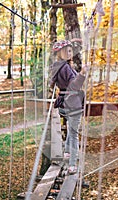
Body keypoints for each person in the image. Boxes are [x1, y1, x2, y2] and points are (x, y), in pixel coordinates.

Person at [49, 39, 86, 175]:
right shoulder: (65, 67)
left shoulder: (57, 66)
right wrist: (82, 74)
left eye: (71, 50)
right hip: (73, 104)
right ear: (61, 53)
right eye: (68, 51)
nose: (71, 53)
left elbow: (53, 84)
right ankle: (72, 165)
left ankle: (67, 152)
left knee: (71, 131)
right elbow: (74, 86)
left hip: (64, 103)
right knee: (74, 134)